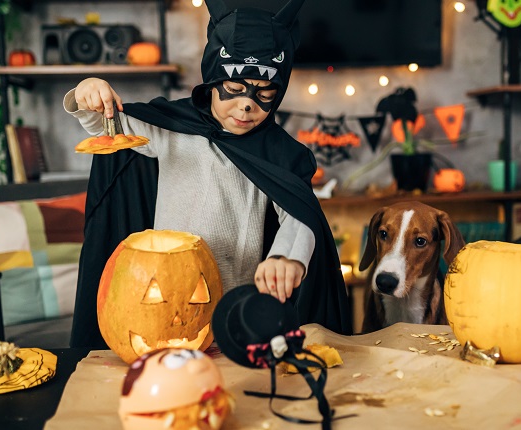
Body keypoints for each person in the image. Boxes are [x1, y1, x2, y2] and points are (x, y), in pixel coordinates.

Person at [65, 0, 353, 349]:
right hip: (163, 301)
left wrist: (285, 259)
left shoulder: (279, 155)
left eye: (264, 94)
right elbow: (106, 124)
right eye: (234, 89)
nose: (247, 105)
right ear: (213, 80)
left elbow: (298, 216)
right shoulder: (170, 129)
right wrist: (88, 91)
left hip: (236, 311)